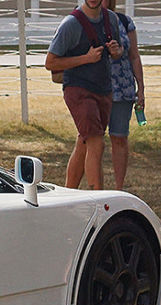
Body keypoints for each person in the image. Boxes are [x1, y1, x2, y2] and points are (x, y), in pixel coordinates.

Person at [45, 0, 122, 190]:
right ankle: (98, 197)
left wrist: (115, 51)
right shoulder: (70, 24)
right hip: (78, 90)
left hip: (103, 90)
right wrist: (86, 58)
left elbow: (118, 53)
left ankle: (68, 193)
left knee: (84, 141)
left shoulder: (110, 19)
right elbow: (50, 63)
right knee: (96, 141)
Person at [102, 0, 143, 192]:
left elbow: (134, 56)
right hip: (96, 87)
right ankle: (95, 188)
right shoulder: (82, 22)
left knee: (119, 137)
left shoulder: (124, 21)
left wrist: (140, 88)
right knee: (90, 140)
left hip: (123, 88)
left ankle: (119, 188)